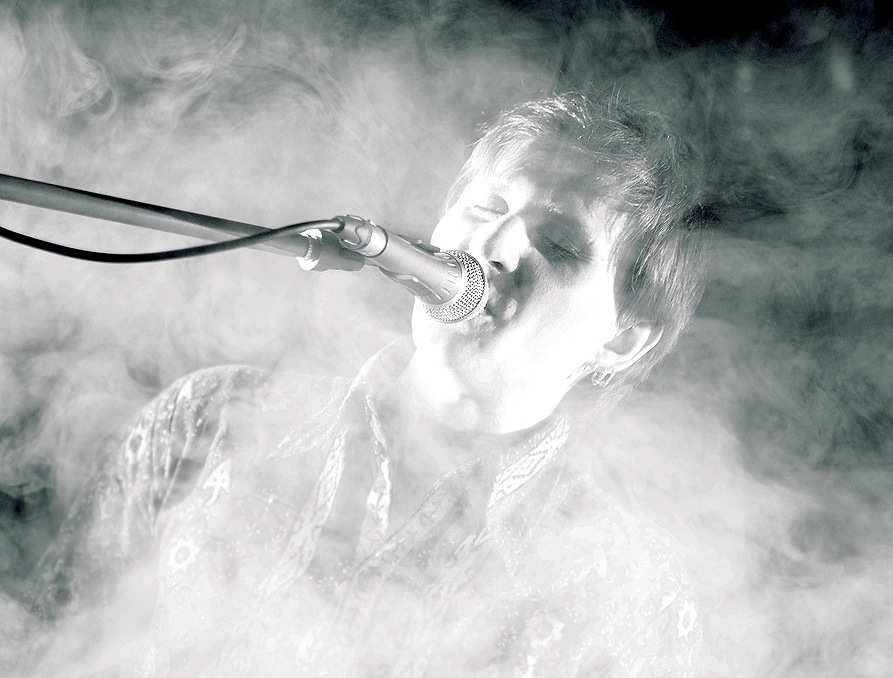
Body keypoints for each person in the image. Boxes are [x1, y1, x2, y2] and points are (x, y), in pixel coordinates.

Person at [27, 91, 711, 677]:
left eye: (559, 245)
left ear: (622, 339)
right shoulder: (206, 417)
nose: (494, 247)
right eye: (486, 206)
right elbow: (49, 643)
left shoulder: (627, 592)